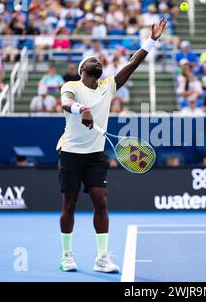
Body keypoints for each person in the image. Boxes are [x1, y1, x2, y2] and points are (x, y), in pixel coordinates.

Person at [56, 18, 167, 273]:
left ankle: (102, 257)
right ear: (83, 69)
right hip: (70, 154)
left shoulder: (108, 87)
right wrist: (80, 109)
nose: (97, 61)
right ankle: (67, 255)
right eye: (92, 60)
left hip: (95, 155)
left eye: (100, 61)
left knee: (101, 202)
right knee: (69, 204)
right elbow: (65, 102)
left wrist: (152, 40)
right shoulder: (71, 86)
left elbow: (133, 63)